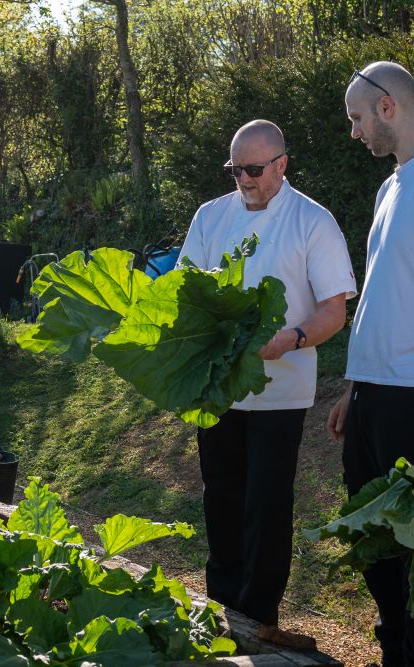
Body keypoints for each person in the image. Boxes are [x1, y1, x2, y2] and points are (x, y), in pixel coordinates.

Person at [179, 119, 356, 648]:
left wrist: (292, 338)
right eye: (235, 170)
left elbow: (334, 310)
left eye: (254, 170)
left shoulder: (312, 221)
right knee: (221, 499)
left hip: (282, 392)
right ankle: (223, 612)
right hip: (219, 387)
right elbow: (184, 291)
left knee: (267, 506)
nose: (244, 180)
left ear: (281, 165)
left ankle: (258, 618)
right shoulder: (210, 216)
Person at [329, 61, 414, 667]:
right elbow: (383, 296)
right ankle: (393, 644)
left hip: (410, 393)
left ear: (388, 107)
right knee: (373, 532)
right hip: (372, 394)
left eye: (357, 118)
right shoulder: (390, 188)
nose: (354, 132)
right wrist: (352, 388)